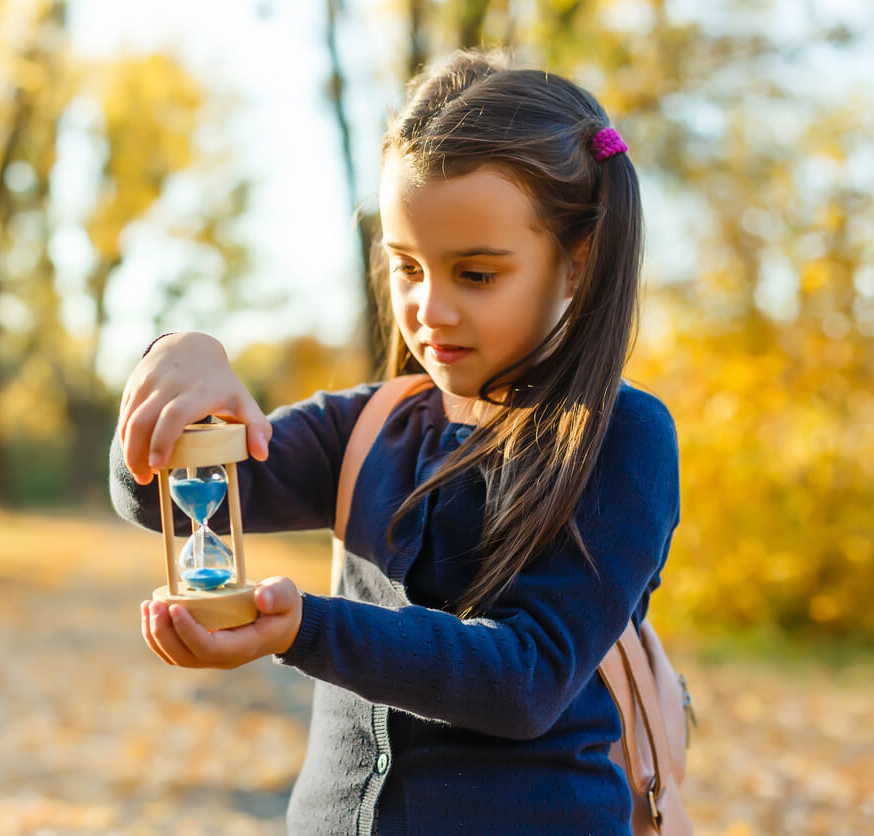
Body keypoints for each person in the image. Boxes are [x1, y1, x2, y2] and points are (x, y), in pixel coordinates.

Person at [109, 48, 680, 835]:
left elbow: (526, 680)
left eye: (475, 274)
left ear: (577, 261)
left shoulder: (619, 437)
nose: (430, 309)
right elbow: (154, 497)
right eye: (407, 267)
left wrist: (308, 629)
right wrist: (175, 362)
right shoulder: (369, 422)